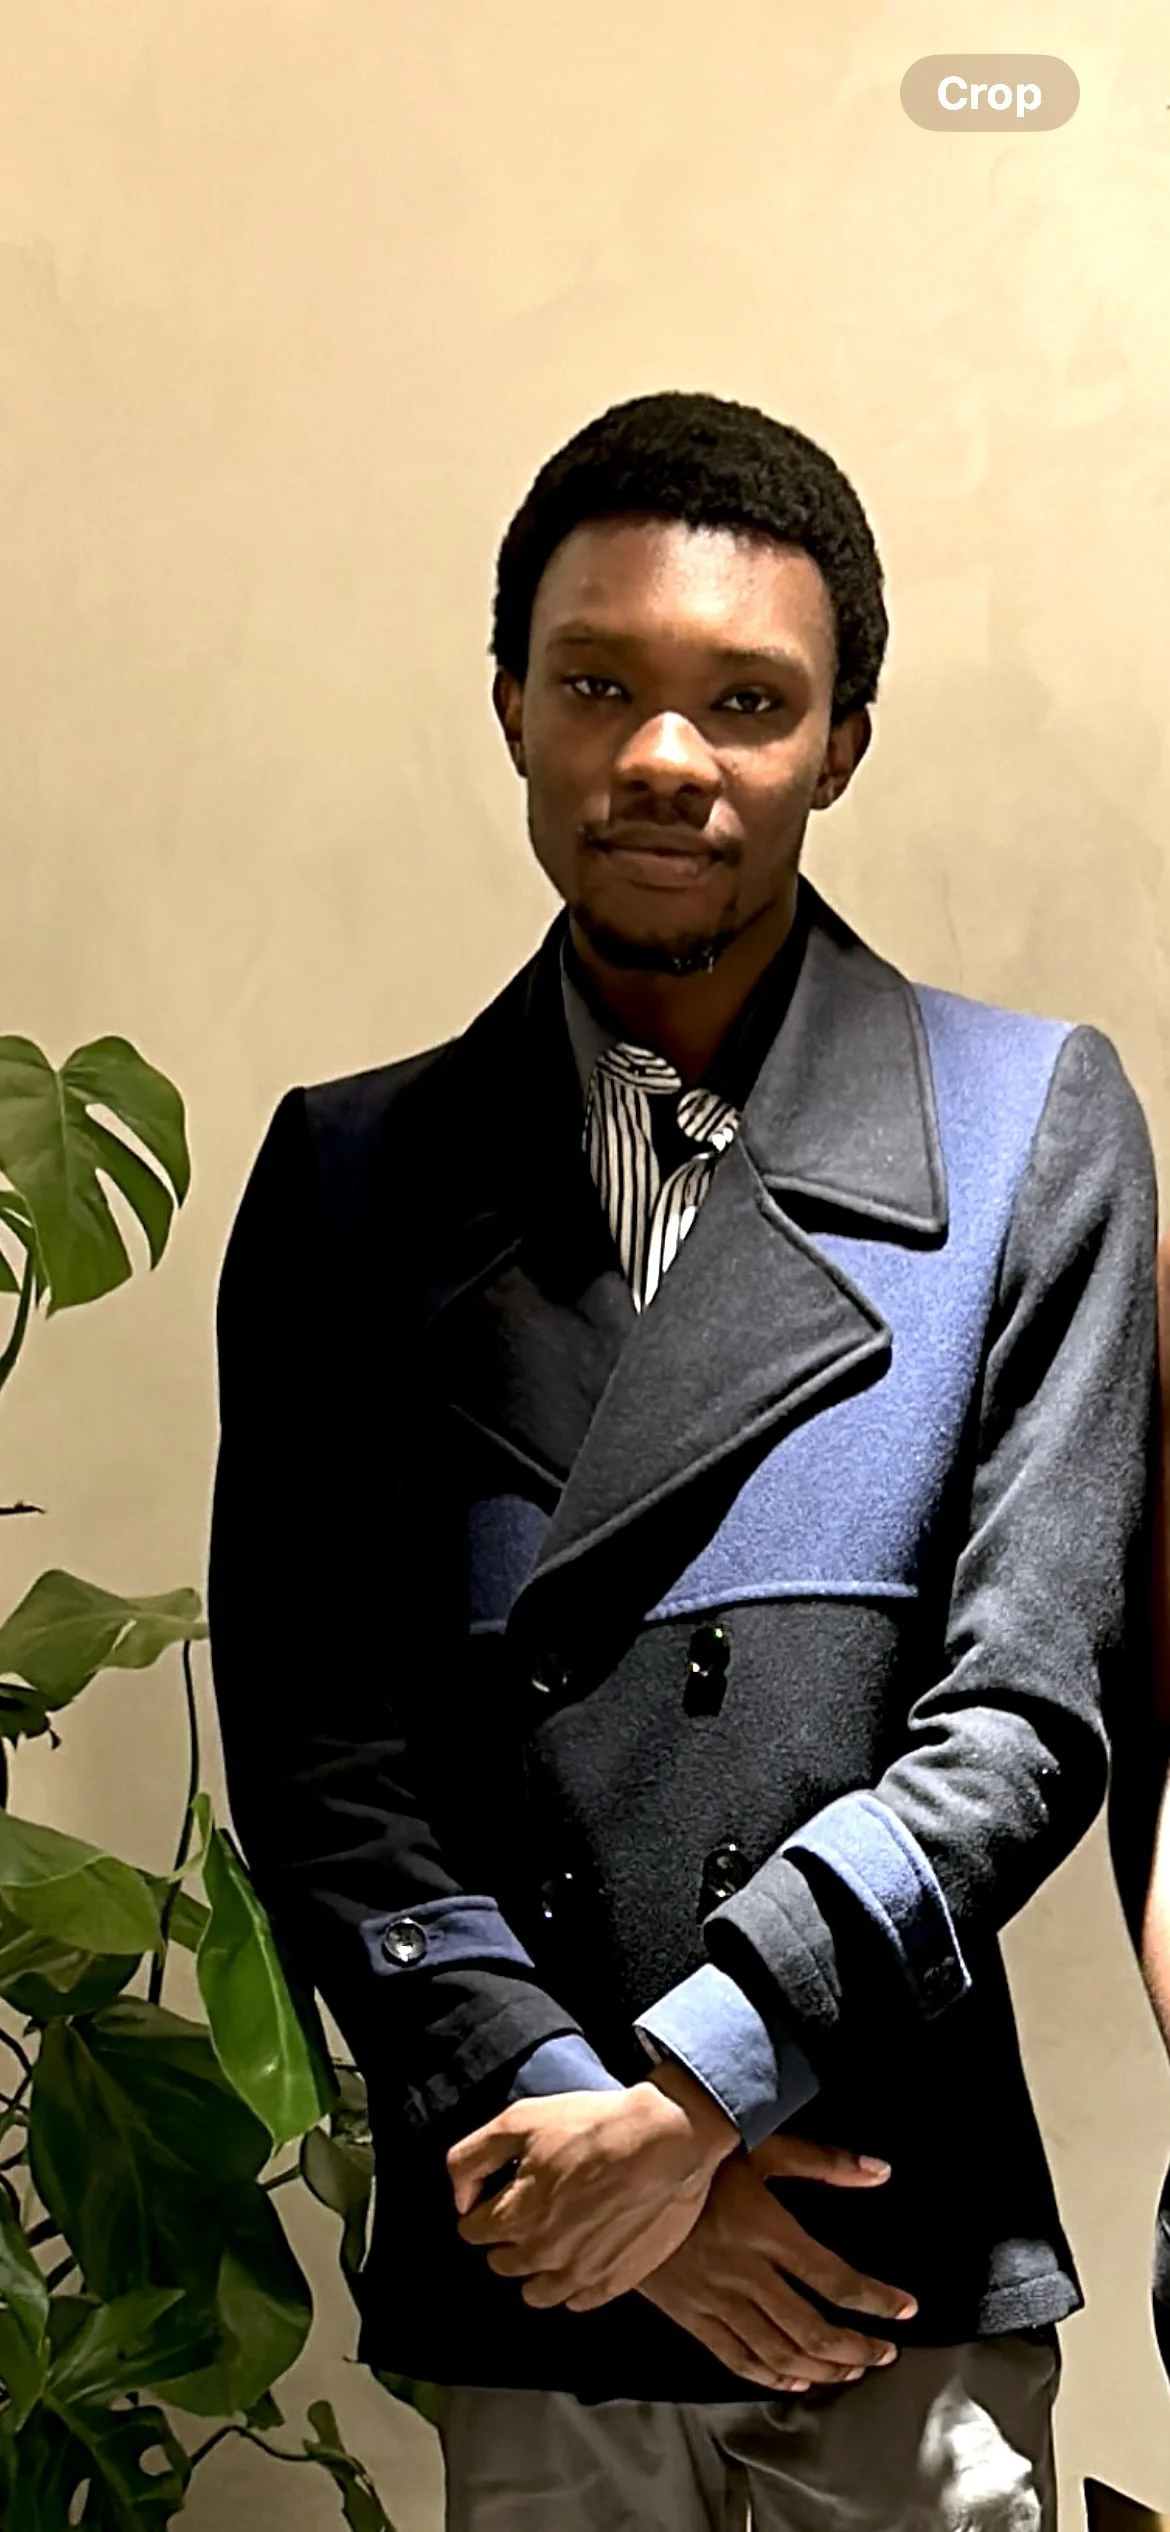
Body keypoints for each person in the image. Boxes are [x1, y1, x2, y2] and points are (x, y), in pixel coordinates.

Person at [208, 390, 1157, 2531]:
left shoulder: (1026, 1129)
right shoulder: (351, 1181)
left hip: (885, 2251)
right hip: (540, 2238)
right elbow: (323, 1757)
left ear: (842, 743)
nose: (665, 755)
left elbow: (1022, 1721)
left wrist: (701, 2092)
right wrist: (606, 2148)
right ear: (514, 709)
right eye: (601, 684)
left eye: (748, 701)